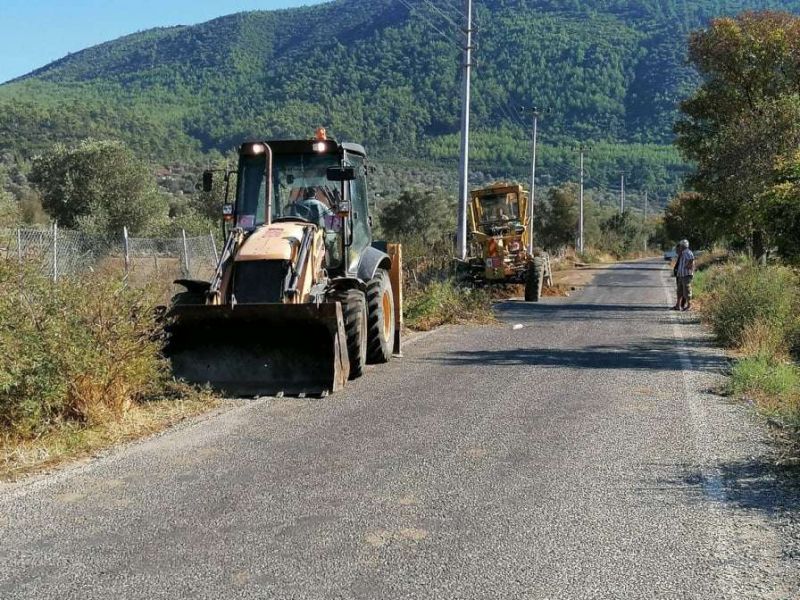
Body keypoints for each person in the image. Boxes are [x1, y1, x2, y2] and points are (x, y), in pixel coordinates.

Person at [671, 239, 695, 311]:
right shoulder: (682, 253)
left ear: (683, 246)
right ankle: (678, 305)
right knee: (679, 291)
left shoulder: (688, 252)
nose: (680, 247)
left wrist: (688, 266)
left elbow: (691, 260)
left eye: (681, 245)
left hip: (686, 275)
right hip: (681, 275)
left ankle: (689, 306)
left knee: (687, 291)